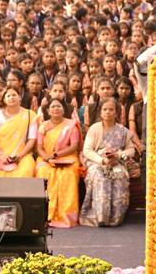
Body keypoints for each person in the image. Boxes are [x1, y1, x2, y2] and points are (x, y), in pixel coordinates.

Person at [79, 98, 135, 227]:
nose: (108, 112)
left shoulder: (123, 130)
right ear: (100, 112)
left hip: (116, 162)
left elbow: (131, 150)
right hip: (96, 162)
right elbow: (87, 150)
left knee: (120, 175)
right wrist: (102, 160)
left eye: (111, 109)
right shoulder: (94, 129)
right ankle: (100, 217)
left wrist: (118, 155)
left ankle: (115, 217)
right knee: (100, 176)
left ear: (116, 112)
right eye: (105, 109)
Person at [36, 98, 81, 228]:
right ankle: (46, 215)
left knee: (68, 175)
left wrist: (56, 155)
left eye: (59, 106)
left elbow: (74, 146)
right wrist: (47, 158)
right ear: (48, 111)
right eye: (53, 106)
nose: (56, 108)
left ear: (63, 109)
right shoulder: (43, 126)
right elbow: (39, 148)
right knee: (44, 172)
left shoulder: (71, 125)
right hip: (46, 158)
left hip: (67, 157)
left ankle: (66, 215)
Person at [0, 87, 37, 177]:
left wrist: (20, 155)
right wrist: (1, 154)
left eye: (14, 95)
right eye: (8, 96)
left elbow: (32, 139)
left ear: (20, 97)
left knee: (26, 171)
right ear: (4, 100)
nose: (11, 97)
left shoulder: (30, 115)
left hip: (23, 154)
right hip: (0, 153)